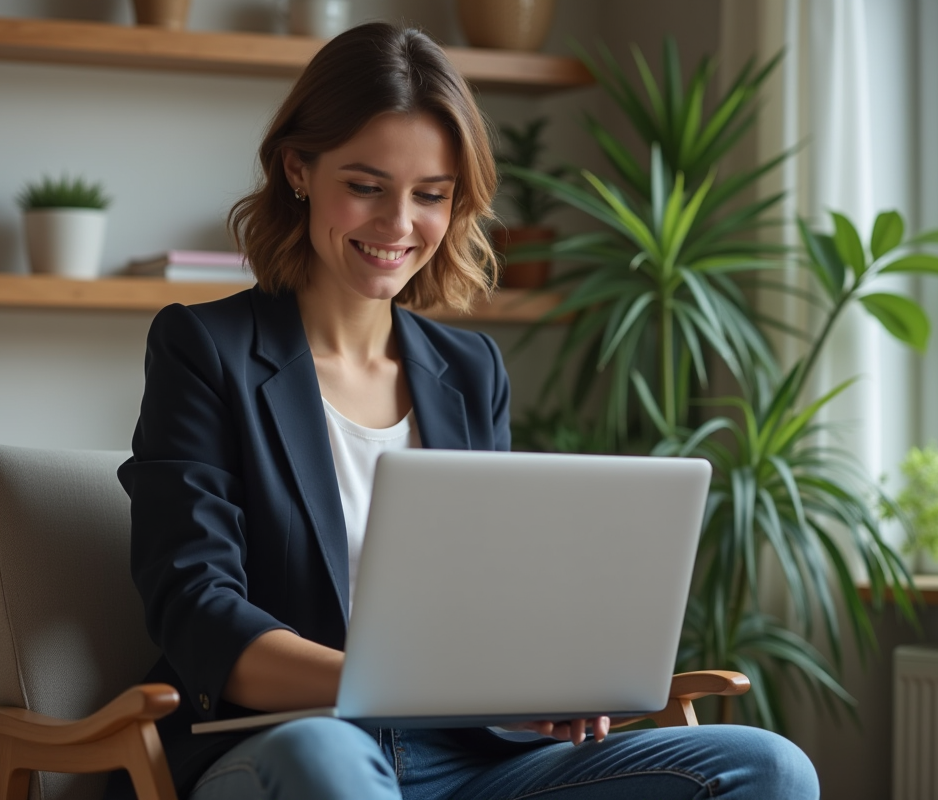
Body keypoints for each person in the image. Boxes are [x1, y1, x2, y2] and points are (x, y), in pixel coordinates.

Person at [114, 21, 820, 800]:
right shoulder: (202, 348)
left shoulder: (468, 370)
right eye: (365, 185)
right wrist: (385, 687)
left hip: (467, 760)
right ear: (298, 170)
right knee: (327, 758)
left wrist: (546, 682)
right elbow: (196, 609)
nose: (397, 225)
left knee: (767, 768)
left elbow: (488, 598)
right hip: (280, 748)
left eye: (431, 196)